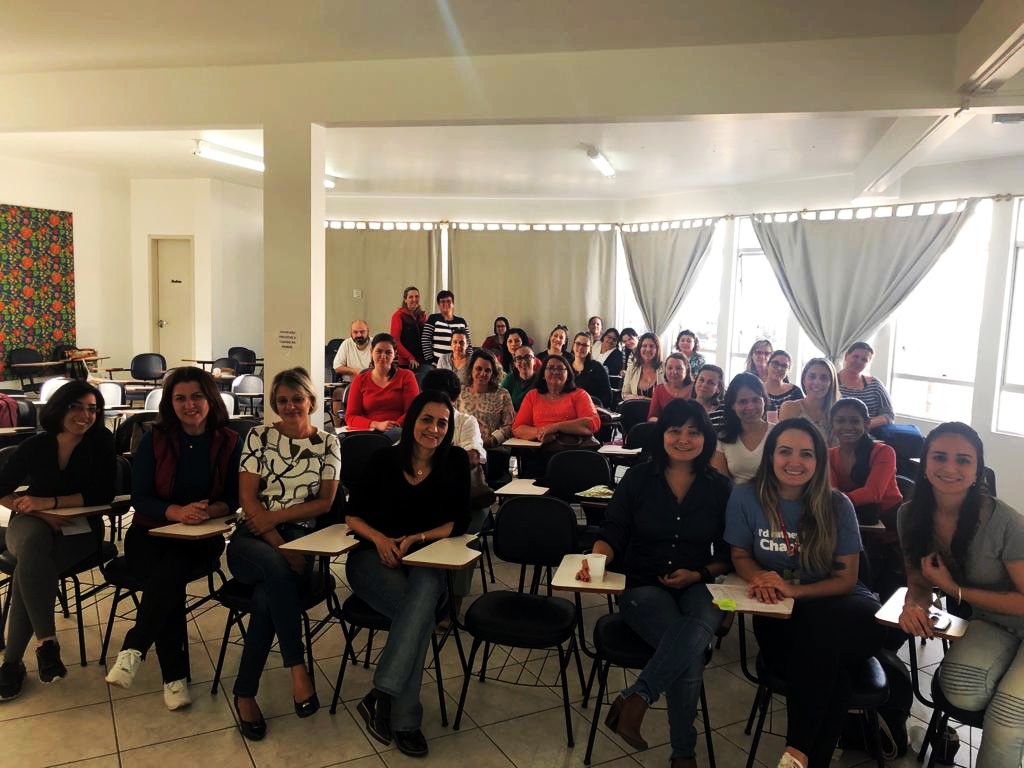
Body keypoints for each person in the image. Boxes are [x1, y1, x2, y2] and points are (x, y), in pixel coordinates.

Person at [577, 399, 731, 768]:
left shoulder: (719, 487)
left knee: (694, 625)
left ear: (706, 438)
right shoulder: (639, 478)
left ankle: (637, 697)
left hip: (699, 583)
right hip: (644, 582)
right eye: (675, 430)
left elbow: (729, 551)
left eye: (694, 432)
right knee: (688, 647)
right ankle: (683, 754)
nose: (683, 439)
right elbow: (613, 529)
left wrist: (700, 574)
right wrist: (597, 559)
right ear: (662, 434)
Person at [725, 418, 883, 768]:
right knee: (834, 676)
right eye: (785, 451)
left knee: (818, 628)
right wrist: (762, 576)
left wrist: (792, 590)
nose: (795, 461)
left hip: (845, 610)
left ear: (819, 461)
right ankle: (809, 759)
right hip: (780, 613)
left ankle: (795, 750)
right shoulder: (745, 497)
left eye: (806, 454)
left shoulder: (838, 504)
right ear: (770, 456)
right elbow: (739, 555)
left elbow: (845, 580)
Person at [104, 368, 240, 711]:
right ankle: (173, 676)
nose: (189, 404)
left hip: (200, 538)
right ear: (170, 403)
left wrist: (207, 513)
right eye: (180, 398)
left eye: (196, 396)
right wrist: (177, 512)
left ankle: (136, 647)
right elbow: (141, 497)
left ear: (210, 398)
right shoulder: (155, 438)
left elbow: (234, 497)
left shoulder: (228, 440)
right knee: (167, 579)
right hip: (150, 534)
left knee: (169, 573)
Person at [346, 391, 471, 759]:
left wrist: (416, 538)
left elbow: (458, 521)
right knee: (419, 615)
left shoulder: (455, 461)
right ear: (413, 420)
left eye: (442, 423)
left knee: (418, 606)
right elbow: (352, 515)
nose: (434, 429)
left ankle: (382, 695)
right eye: (427, 420)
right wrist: (381, 540)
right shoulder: (383, 459)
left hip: (427, 561)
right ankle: (404, 720)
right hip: (372, 558)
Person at [897, 422, 1024, 768]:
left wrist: (955, 590)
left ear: (977, 472)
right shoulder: (909, 515)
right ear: (924, 465)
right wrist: (914, 605)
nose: (950, 468)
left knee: (1008, 715)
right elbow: (918, 578)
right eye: (939, 457)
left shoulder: (1006, 522)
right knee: (960, 691)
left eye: (963, 460)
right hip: (993, 623)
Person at [227, 368, 341, 740]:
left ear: (311, 400)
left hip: (298, 538)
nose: (290, 406)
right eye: (282, 400)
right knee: (277, 570)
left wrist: (278, 526)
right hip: (251, 539)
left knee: (266, 597)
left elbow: (325, 503)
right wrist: (279, 542)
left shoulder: (328, 443)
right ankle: (297, 667)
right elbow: (247, 498)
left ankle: (245, 693)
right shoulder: (258, 436)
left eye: (297, 398)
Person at [0, 381, 115, 700]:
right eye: (76, 406)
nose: (85, 415)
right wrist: (30, 509)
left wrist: (47, 503)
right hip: (31, 526)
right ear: (59, 408)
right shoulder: (36, 445)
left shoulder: (101, 442)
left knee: (30, 570)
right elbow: (2, 487)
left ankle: (12, 664)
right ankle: (46, 643)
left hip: (79, 528)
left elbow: (102, 494)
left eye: (92, 408)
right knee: (34, 548)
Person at [512, 355, 600, 476]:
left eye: (560, 368)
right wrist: (541, 433)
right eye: (551, 368)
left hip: (575, 453)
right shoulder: (533, 396)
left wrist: (556, 427)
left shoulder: (580, 395)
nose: (555, 372)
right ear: (543, 374)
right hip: (540, 452)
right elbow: (518, 428)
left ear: (568, 374)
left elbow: (592, 423)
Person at [828, 398, 901, 526]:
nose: (847, 426)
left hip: (887, 521)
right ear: (832, 424)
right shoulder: (829, 455)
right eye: (840, 421)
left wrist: (836, 503)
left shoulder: (884, 452)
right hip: (848, 516)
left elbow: (873, 493)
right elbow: (832, 491)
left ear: (867, 423)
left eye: (855, 421)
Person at [345, 333, 420, 442]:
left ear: (395, 354)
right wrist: (376, 425)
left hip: (399, 431)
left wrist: (393, 426)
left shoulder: (407, 376)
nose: (383, 356)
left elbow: (413, 411)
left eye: (388, 352)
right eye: (379, 351)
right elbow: (351, 417)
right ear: (371, 352)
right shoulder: (360, 380)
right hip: (369, 431)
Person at [458, 348, 515, 481]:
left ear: (493, 373)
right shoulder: (460, 392)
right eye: (478, 369)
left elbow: (509, 426)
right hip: (464, 449)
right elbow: (453, 420)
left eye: (488, 370)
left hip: (493, 450)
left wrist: (488, 441)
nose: (482, 373)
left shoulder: (502, 394)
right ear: (471, 369)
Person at [711, 373, 769, 484]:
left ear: (764, 401)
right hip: (734, 498)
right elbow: (721, 481)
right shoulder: (723, 437)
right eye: (743, 401)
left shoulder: (778, 433)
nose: (750, 407)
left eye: (756, 400)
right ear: (732, 405)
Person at [837, 342, 894, 429]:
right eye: (855, 356)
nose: (859, 361)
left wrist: (863, 425)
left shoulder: (875, 384)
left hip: (871, 436)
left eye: (864, 360)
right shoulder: (830, 382)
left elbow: (889, 415)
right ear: (846, 356)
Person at [779, 358, 838, 439]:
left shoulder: (837, 413)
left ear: (831, 383)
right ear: (804, 380)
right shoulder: (789, 408)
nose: (817, 382)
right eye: (812, 376)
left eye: (823, 378)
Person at [420, 290, 470, 365]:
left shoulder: (462, 322)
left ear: (453, 303)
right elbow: (425, 340)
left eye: (448, 301)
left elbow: (468, 344)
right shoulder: (433, 319)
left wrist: (470, 361)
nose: (446, 304)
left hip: (459, 364)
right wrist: (431, 361)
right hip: (437, 364)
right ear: (438, 304)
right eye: (442, 302)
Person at [570, 331, 612, 407]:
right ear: (573, 345)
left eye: (585, 345)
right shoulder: (565, 366)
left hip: (590, 410)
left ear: (590, 349)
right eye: (578, 344)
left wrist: (596, 407)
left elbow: (607, 396)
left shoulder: (597, 367)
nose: (580, 347)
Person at [390, 286, 427, 371]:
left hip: (423, 361)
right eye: (411, 297)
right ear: (405, 300)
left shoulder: (423, 316)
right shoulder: (398, 316)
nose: (414, 299)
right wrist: (410, 357)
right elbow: (395, 341)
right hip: (406, 363)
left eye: (417, 296)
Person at [648, 353, 692, 420]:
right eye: (669, 368)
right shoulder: (659, 389)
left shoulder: (696, 388)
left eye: (679, 368)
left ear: (687, 370)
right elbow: (652, 417)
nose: (674, 372)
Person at [621, 332, 664, 400]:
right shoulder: (632, 368)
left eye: (652, 346)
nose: (648, 349)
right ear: (639, 349)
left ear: (657, 349)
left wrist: (646, 400)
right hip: (635, 409)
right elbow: (625, 394)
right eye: (644, 346)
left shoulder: (665, 369)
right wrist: (641, 398)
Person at [763, 350, 803, 415]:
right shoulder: (757, 391)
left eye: (784, 366)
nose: (779, 368)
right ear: (768, 364)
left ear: (788, 370)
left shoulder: (795, 392)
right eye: (775, 363)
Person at [500, 344, 538, 410]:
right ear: (515, 363)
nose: (523, 362)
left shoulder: (540, 380)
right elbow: (500, 400)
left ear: (534, 361)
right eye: (519, 358)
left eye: (527, 357)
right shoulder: (510, 379)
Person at [691, 364, 727, 431]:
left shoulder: (725, 410)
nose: (704, 385)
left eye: (711, 382)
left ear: (718, 388)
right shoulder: (685, 407)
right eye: (701, 380)